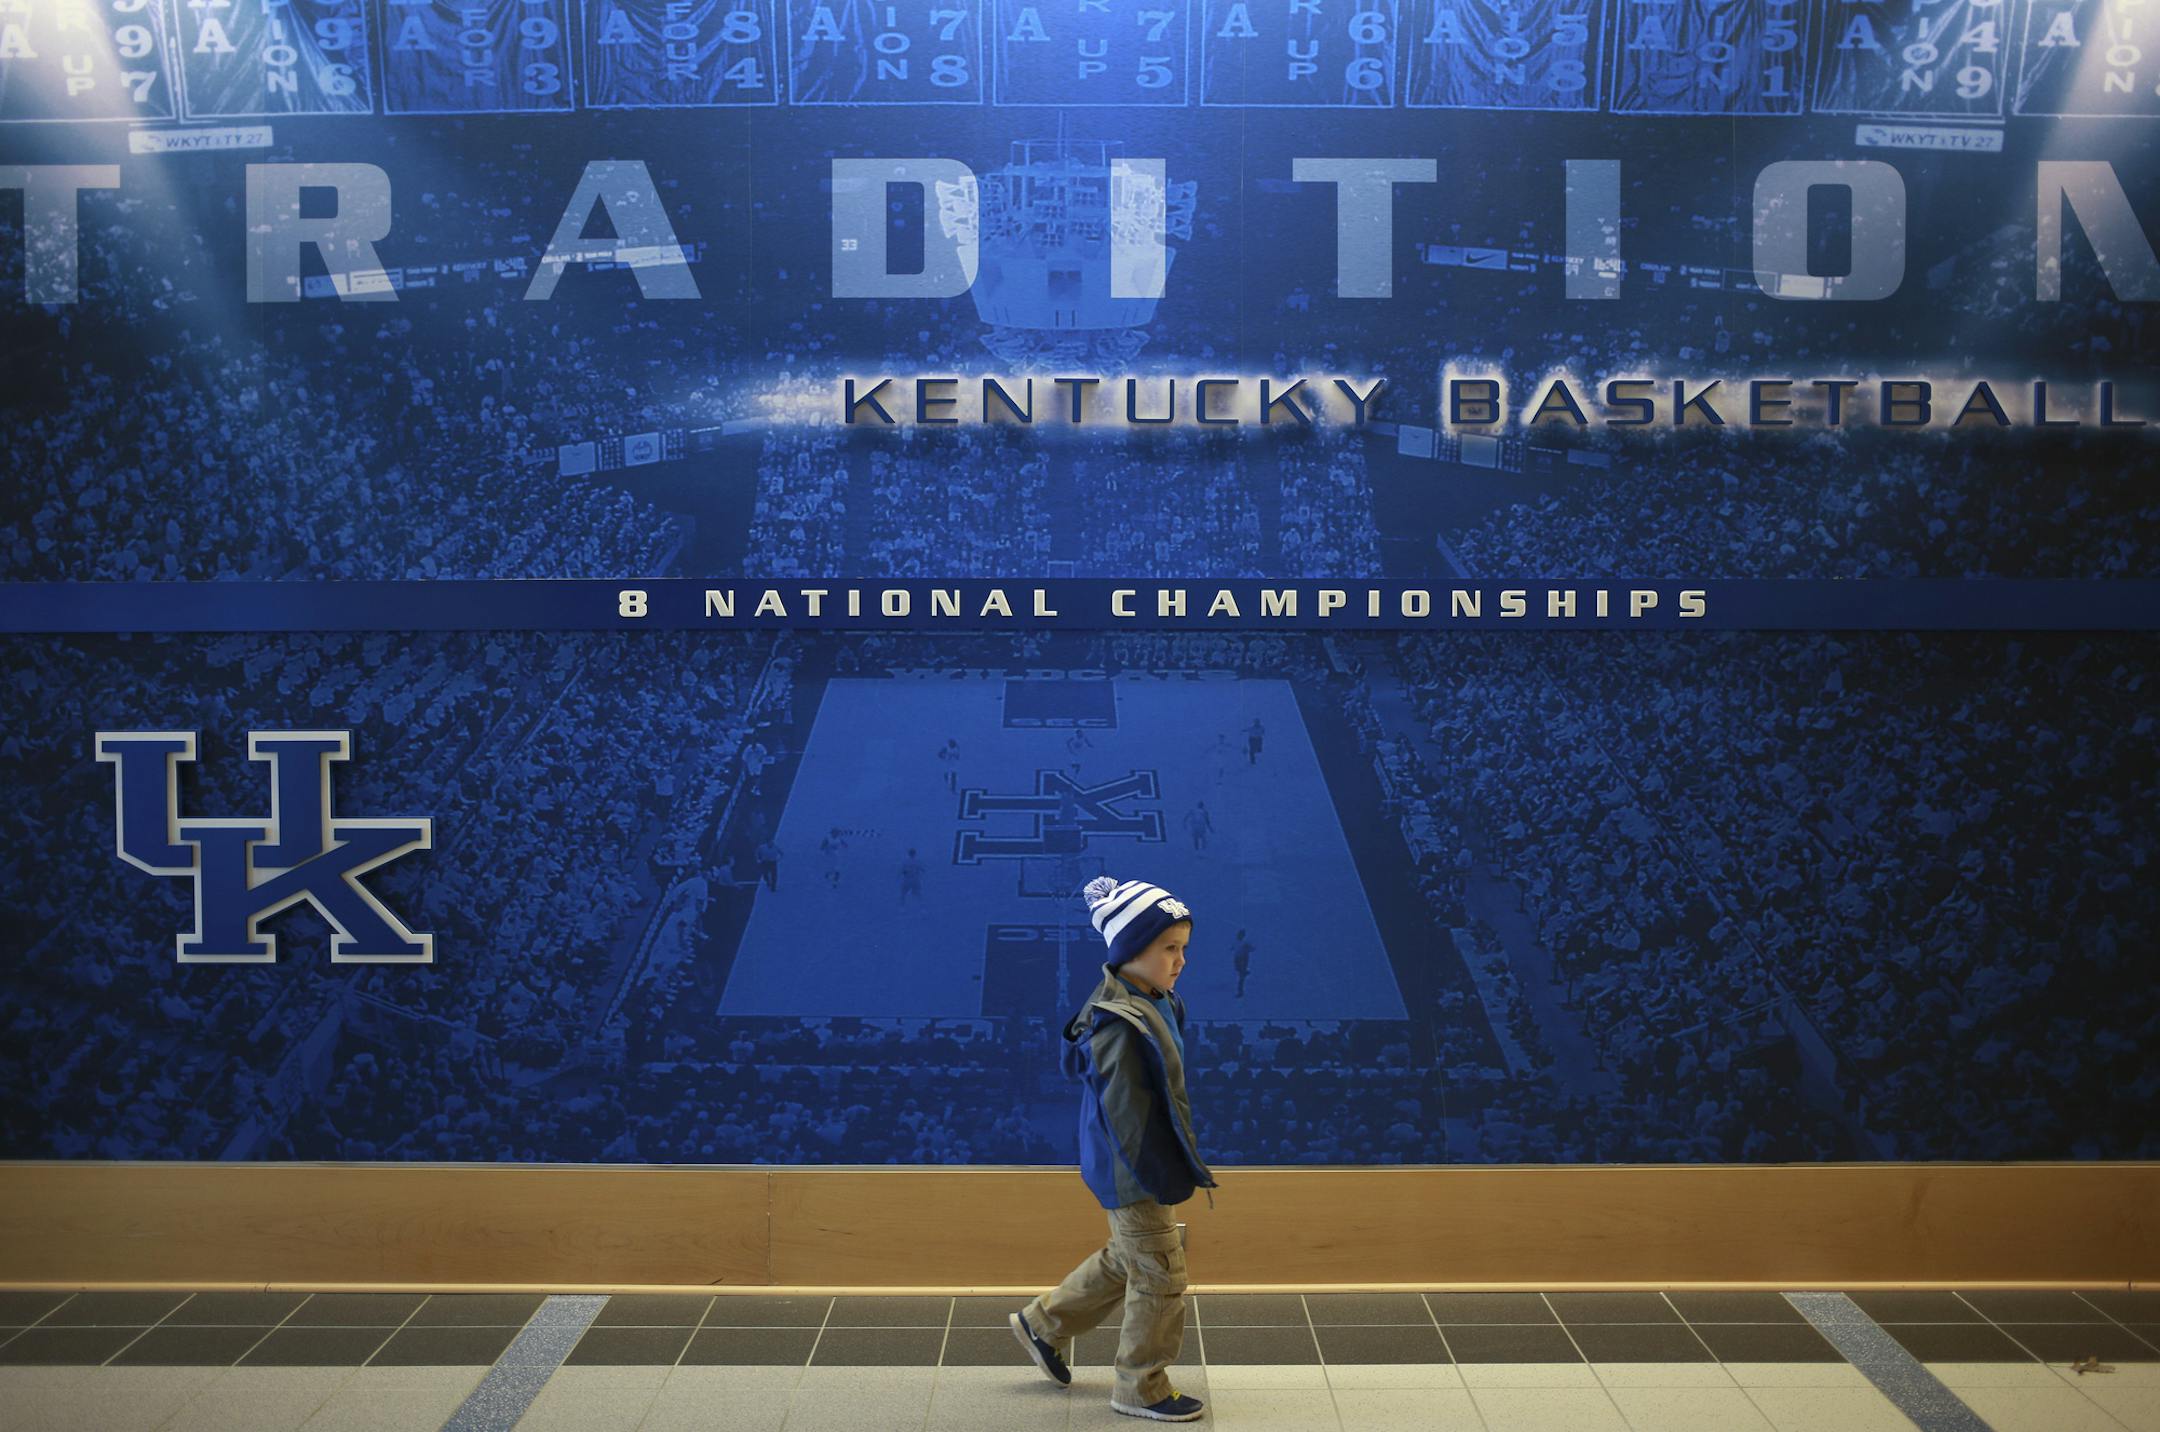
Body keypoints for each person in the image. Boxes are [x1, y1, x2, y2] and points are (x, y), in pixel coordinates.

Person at [1010, 875, 1217, 1423]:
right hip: (1135, 1168)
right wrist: (1161, 1174)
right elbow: (1126, 1115)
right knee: (1161, 1273)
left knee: (1132, 1254)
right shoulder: (1118, 1023)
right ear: (1131, 949)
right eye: (1169, 948)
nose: (1181, 961)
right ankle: (1140, 1386)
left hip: (1135, 1162)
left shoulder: (1153, 999)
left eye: (1183, 948)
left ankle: (1043, 1324)